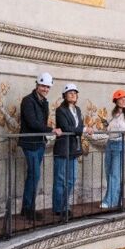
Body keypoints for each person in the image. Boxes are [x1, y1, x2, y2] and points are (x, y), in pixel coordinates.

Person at [19, 72, 61, 221]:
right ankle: (28, 209)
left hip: (39, 143)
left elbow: (40, 123)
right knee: (34, 175)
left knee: (33, 176)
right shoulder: (28, 101)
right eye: (43, 86)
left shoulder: (45, 102)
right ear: (37, 85)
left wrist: (46, 133)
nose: (45, 89)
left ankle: (27, 209)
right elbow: (32, 122)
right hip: (29, 144)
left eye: (47, 87)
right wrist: (51, 130)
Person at [101, 90, 125, 209]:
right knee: (108, 172)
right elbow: (108, 129)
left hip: (120, 144)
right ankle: (117, 200)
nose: (124, 101)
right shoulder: (112, 115)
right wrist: (105, 125)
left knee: (115, 174)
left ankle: (108, 201)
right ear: (116, 101)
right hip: (110, 143)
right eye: (122, 99)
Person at [52, 83, 84, 217]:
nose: (73, 95)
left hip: (74, 148)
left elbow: (78, 127)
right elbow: (66, 128)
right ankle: (59, 208)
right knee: (60, 179)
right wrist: (82, 130)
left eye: (75, 93)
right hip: (62, 148)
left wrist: (80, 130)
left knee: (71, 179)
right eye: (70, 93)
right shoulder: (60, 110)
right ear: (64, 95)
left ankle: (65, 204)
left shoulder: (78, 110)